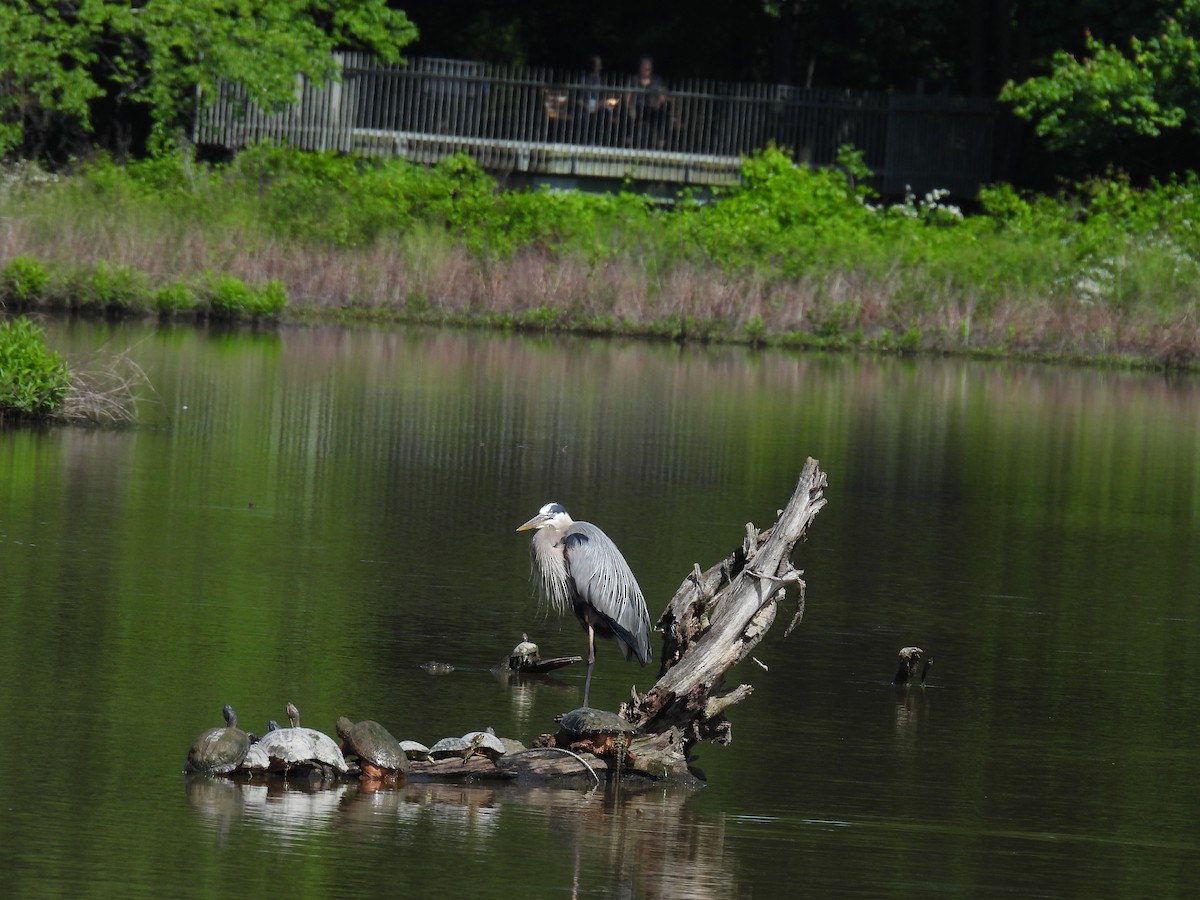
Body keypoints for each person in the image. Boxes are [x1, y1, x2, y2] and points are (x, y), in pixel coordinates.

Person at [626, 55, 668, 147]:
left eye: (648, 67)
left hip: (652, 107)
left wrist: (659, 102)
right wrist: (630, 107)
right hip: (637, 106)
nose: (646, 69)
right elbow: (627, 96)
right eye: (644, 66)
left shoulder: (657, 80)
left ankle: (661, 140)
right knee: (626, 113)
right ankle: (628, 139)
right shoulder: (634, 79)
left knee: (663, 115)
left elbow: (663, 96)